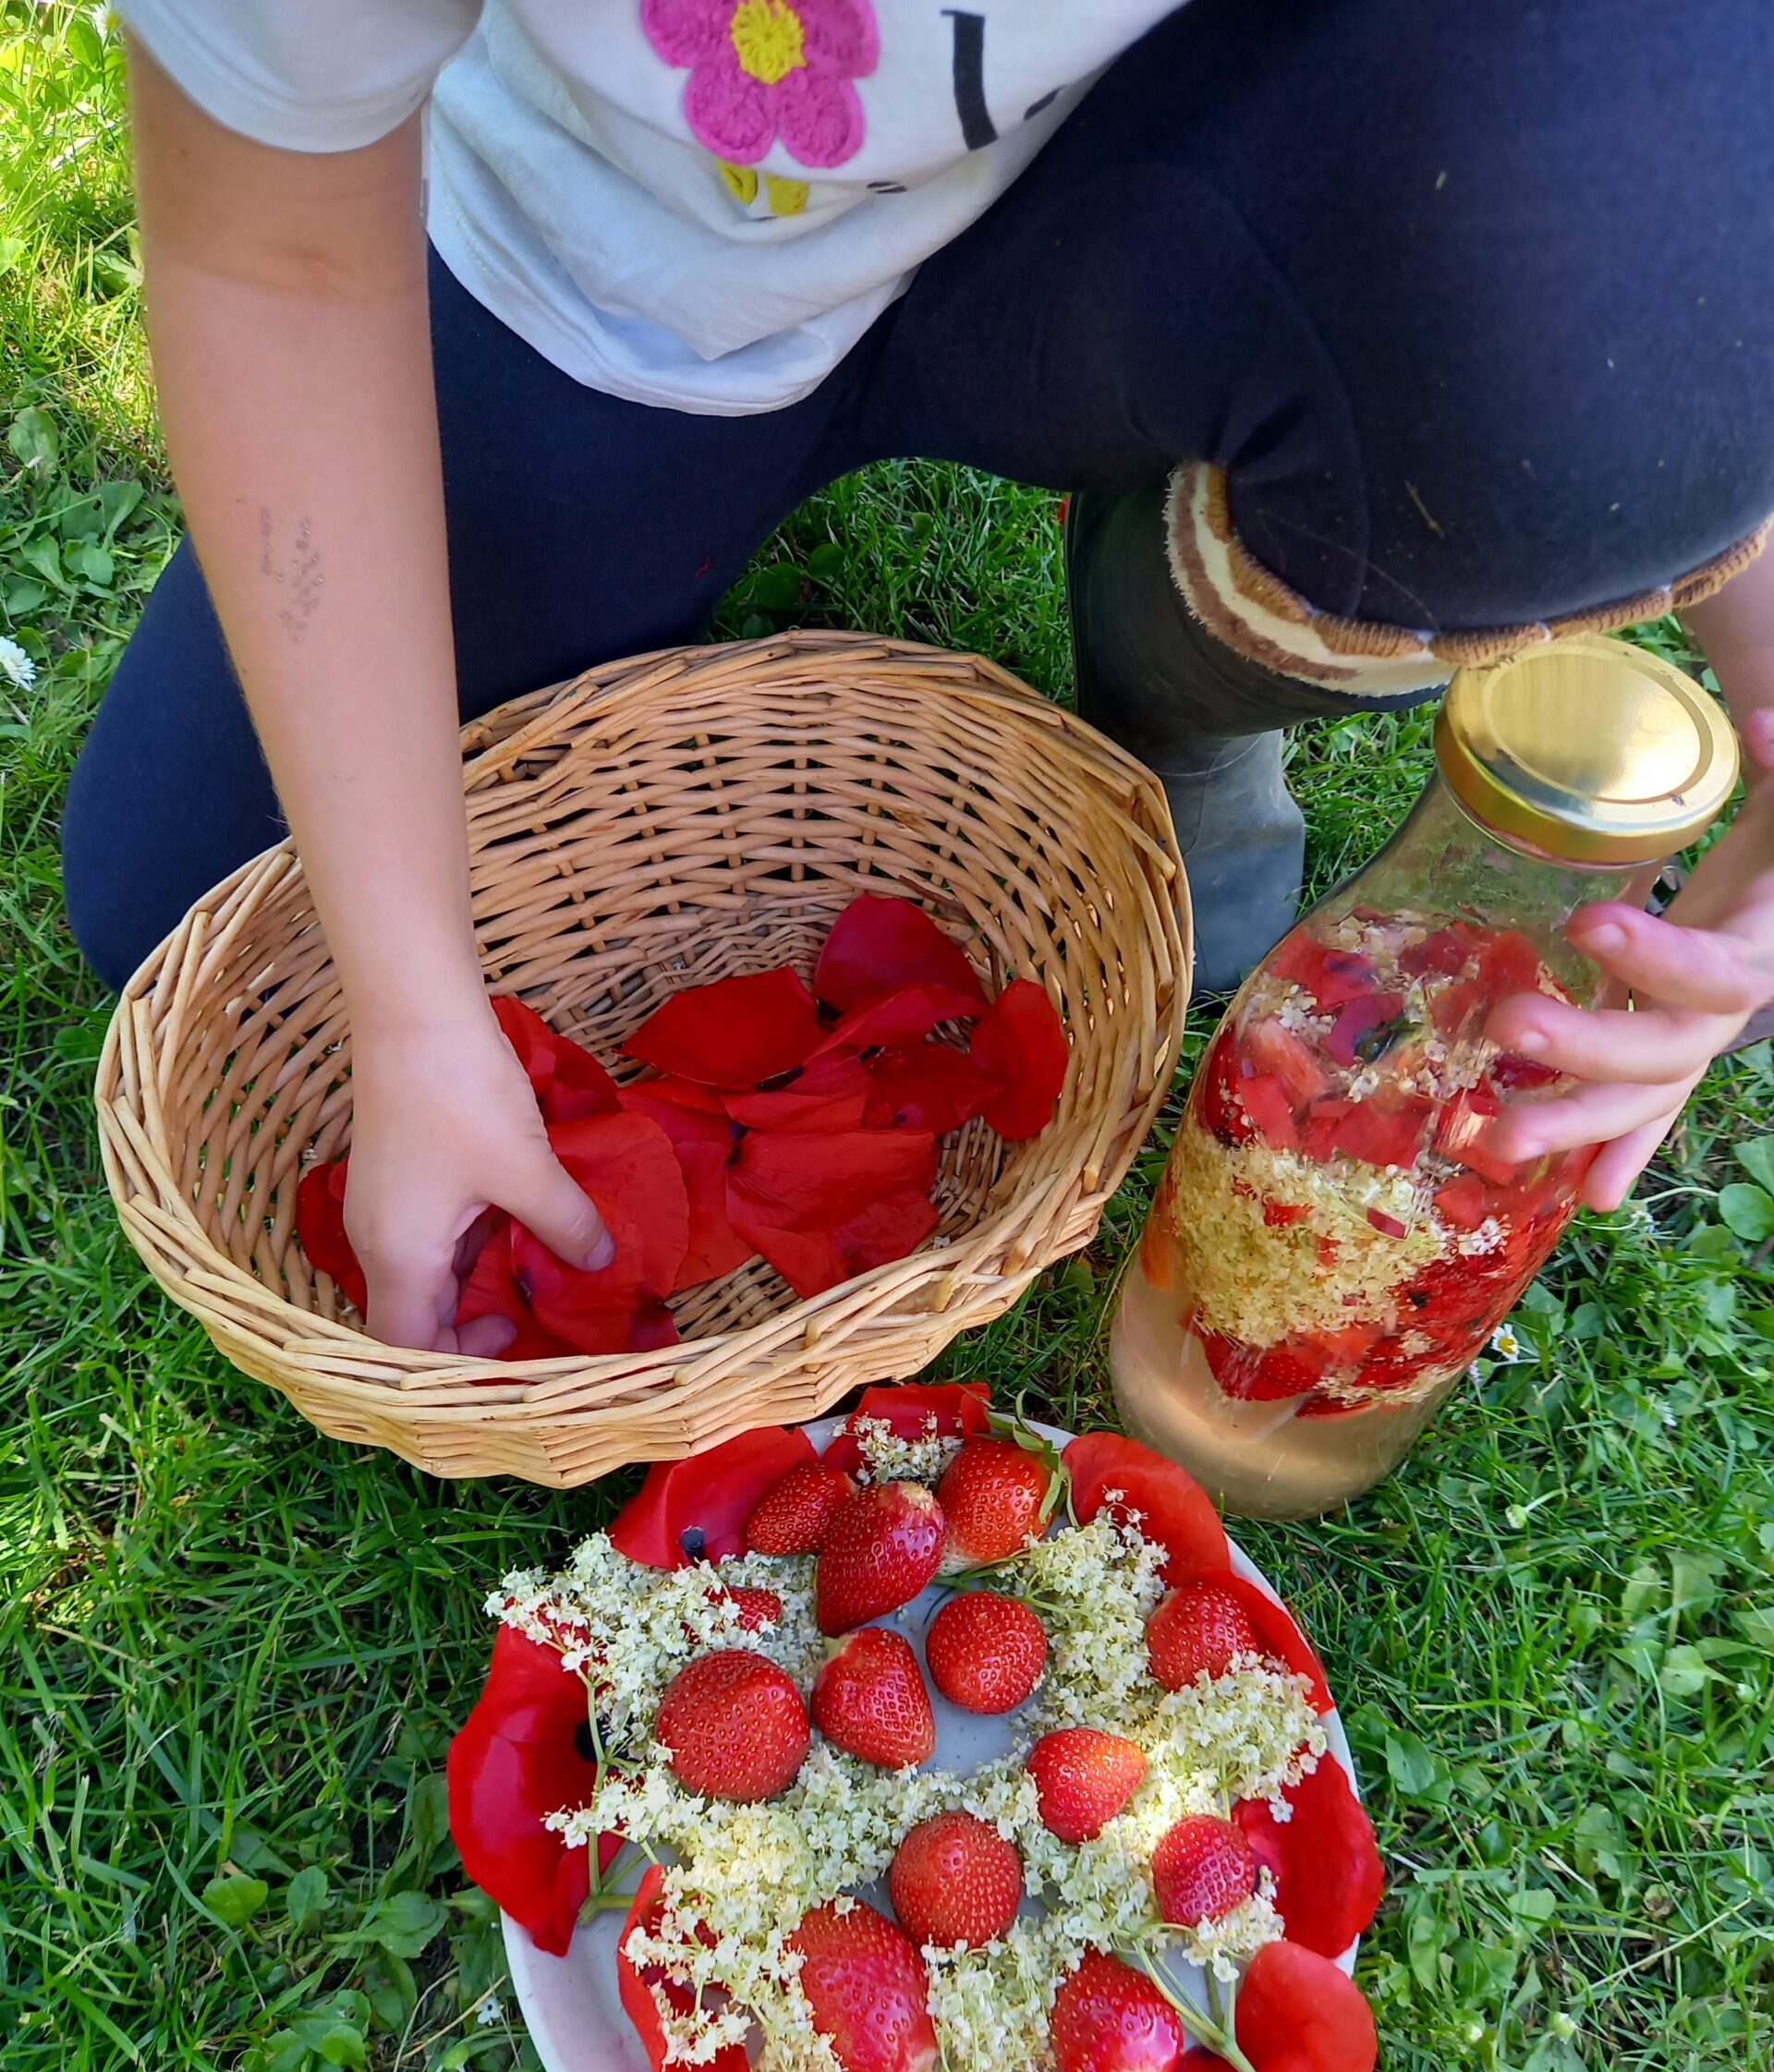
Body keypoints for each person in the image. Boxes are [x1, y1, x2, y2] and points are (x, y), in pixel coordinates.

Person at [63, 0, 1774, 1355]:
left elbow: (1675, 207)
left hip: (1153, 195)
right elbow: (274, 260)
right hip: (619, 256)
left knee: (1561, 375)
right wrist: (417, 1009)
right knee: (203, 904)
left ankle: (1178, 676)